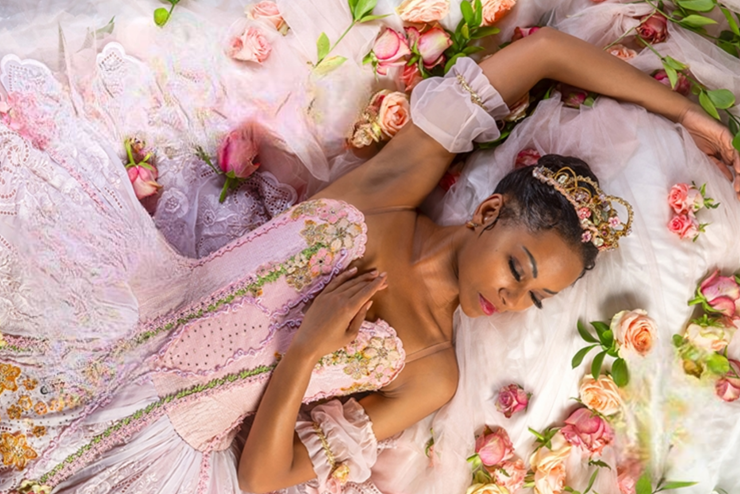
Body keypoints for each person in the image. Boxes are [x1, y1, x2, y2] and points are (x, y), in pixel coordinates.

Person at [0, 4, 738, 494]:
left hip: (161, 461)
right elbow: (541, 51)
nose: (512, 300)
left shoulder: (429, 368)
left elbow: (263, 479)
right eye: (519, 268)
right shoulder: (389, 189)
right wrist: (680, 111)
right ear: (488, 211)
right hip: (119, 320)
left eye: (535, 296)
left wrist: (308, 350)